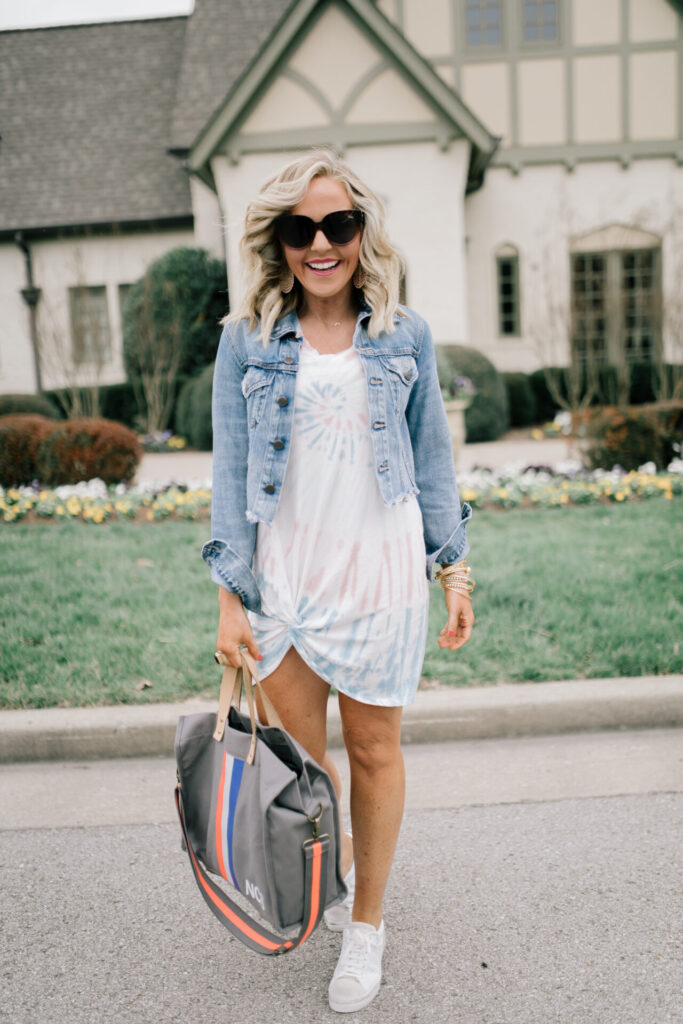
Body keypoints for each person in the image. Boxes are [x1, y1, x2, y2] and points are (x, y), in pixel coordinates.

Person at [202, 149, 474, 1013]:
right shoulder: (244, 341)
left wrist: (453, 568)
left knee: (373, 751)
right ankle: (336, 864)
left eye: (338, 225)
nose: (320, 244)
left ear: (362, 232)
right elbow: (229, 475)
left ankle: (366, 925)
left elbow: (432, 460)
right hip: (284, 582)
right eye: (300, 228)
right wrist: (229, 598)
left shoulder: (404, 334)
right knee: (302, 760)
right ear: (277, 241)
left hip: (379, 574)